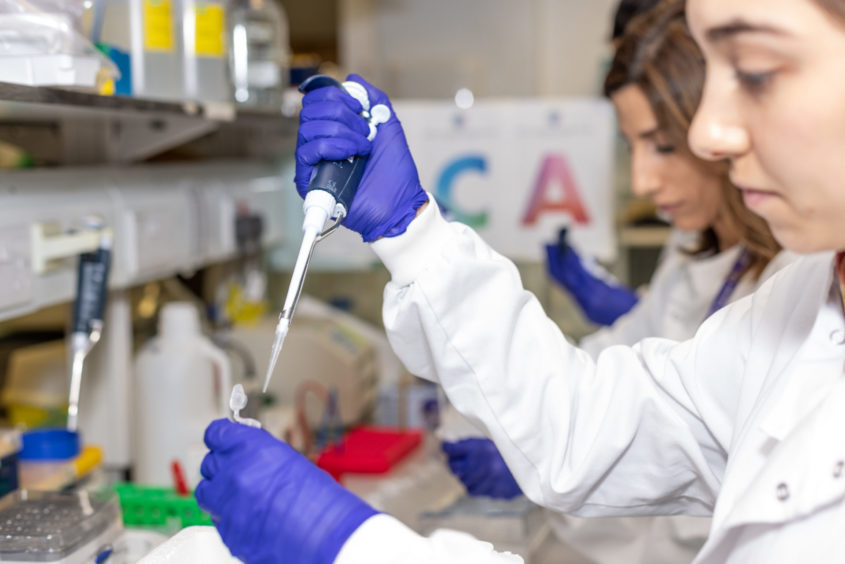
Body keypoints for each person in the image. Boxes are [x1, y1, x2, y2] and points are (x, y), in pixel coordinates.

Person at [196, 0, 845, 562]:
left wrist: (349, 546)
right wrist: (410, 232)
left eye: (756, 72)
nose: (707, 132)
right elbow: (589, 426)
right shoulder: (807, 300)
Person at [439, 3, 796, 562]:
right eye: (634, 147)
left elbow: (675, 489)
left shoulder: (795, 280)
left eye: (664, 145)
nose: (642, 182)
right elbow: (624, 390)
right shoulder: (694, 250)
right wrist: (536, 435)